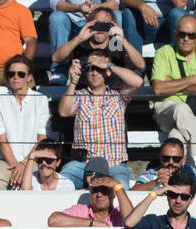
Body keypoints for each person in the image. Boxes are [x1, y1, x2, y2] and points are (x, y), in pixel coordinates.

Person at [58, 51, 143, 187]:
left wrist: (109, 64)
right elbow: (63, 111)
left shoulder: (118, 96)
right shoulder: (79, 96)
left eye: (99, 69)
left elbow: (138, 82)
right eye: (90, 68)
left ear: (107, 72)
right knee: (61, 184)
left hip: (113, 164)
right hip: (83, 164)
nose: (94, 72)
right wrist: (73, 82)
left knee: (121, 188)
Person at [150, 15, 196, 170]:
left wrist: (172, 82)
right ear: (175, 34)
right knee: (180, 107)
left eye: (191, 35)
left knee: (175, 137)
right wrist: (192, 80)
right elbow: (158, 88)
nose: (186, 38)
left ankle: (176, 176)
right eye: (182, 34)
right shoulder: (163, 53)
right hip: (166, 110)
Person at [0, 55, 50, 190]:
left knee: (32, 187)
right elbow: (1, 139)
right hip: (5, 161)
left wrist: (25, 163)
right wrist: (16, 166)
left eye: (21, 74)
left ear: (29, 77)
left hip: (33, 160)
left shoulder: (41, 100)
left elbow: (42, 138)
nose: (16, 77)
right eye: (11, 74)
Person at [50, 6, 145, 83]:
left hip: (112, 95)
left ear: (113, 26)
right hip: (84, 96)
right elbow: (56, 58)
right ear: (89, 24)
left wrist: (123, 40)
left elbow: (140, 65)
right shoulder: (81, 44)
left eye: (105, 25)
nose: (100, 29)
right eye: (97, 25)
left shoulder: (115, 44)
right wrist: (78, 38)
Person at [47, 173, 132, 226]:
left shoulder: (120, 212)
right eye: (95, 191)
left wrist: (117, 186)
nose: (99, 194)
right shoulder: (81, 210)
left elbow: (133, 223)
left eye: (104, 190)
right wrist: (93, 223)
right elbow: (53, 220)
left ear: (113, 194)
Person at [131, 135, 196, 190]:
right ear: (160, 158)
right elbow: (133, 190)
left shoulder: (192, 172)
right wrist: (155, 182)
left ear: (183, 159)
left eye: (176, 159)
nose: (170, 162)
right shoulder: (153, 173)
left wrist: (179, 182)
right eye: (166, 158)